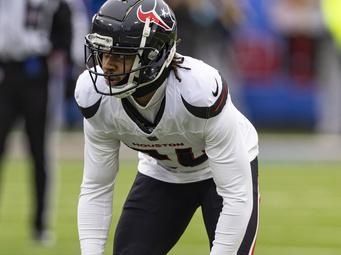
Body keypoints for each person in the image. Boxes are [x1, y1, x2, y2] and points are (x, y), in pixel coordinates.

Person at [75, 0, 259, 254]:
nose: (107, 65)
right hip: (164, 172)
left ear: (155, 54)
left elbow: (237, 195)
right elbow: (96, 186)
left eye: (121, 54)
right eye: (104, 52)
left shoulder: (198, 92)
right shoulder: (94, 96)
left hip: (222, 174)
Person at [0, 0, 72, 244]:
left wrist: (59, 55)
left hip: (35, 72)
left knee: (39, 152)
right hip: (6, 71)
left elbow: (65, 24)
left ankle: (40, 225)